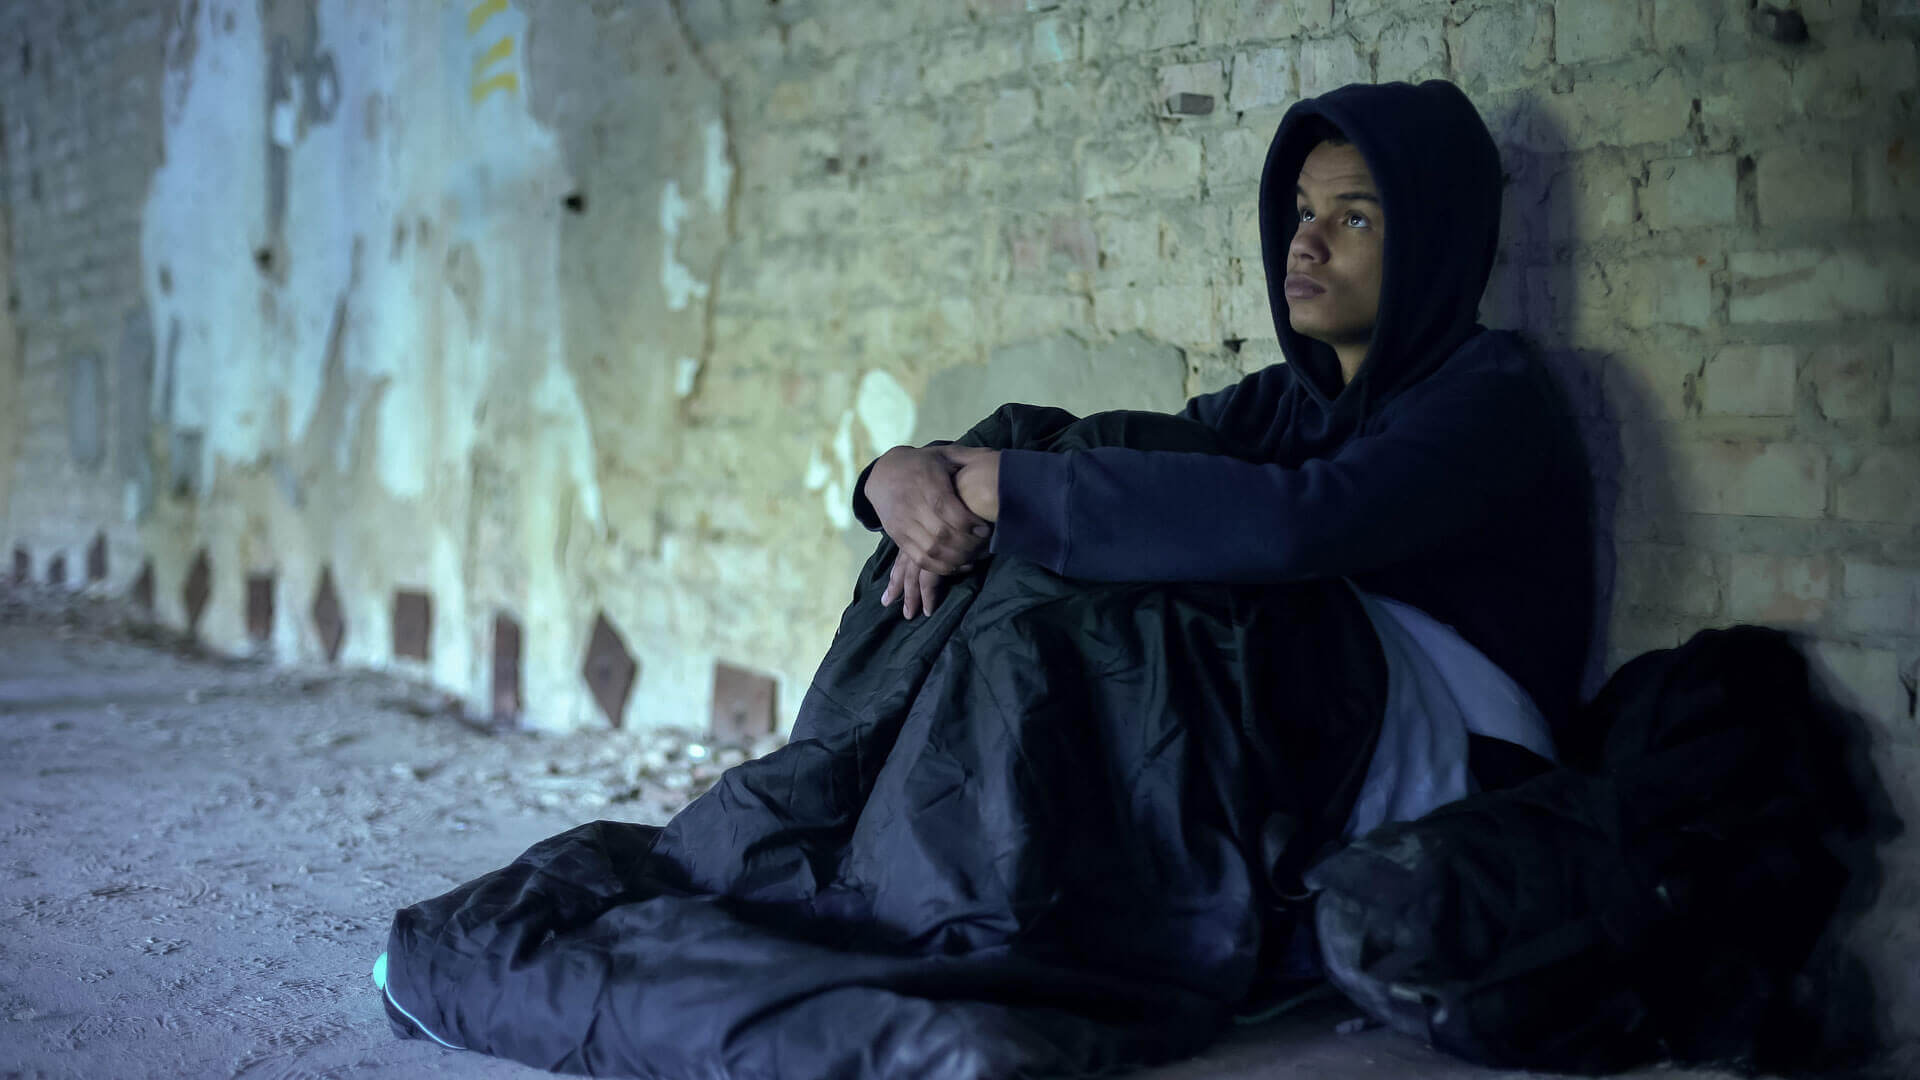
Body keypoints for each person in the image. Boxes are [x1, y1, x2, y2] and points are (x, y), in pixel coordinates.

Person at [853, 79, 1594, 809]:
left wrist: (1014, 491)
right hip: (1333, 718)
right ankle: (883, 801)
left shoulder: (1491, 395)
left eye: (1355, 221)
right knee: (1085, 477)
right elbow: (1122, 468)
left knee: (1101, 538)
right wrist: (902, 478)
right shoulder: (1283, 400)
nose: (1305, 244)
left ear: (1431, 245)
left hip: (1468, 743)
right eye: (1303, 211)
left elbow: (1306, 525)